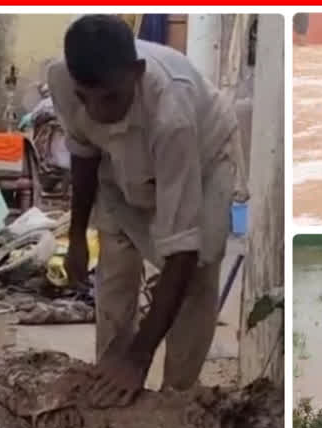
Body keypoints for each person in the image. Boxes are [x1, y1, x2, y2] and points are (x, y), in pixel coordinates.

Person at [47, 14, 237, 408]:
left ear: (136, 73)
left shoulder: (173, 113)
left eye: (110, 98)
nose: (97, 110)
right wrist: (78, 237)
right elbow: (83, 153)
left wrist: (141, 355)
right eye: (87, 98)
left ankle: (175, 401)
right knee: (115, 266)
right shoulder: (65, 80)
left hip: (203, 157)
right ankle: (110, 377)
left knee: (197, 272)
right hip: (121, 164)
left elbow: (182, 249)